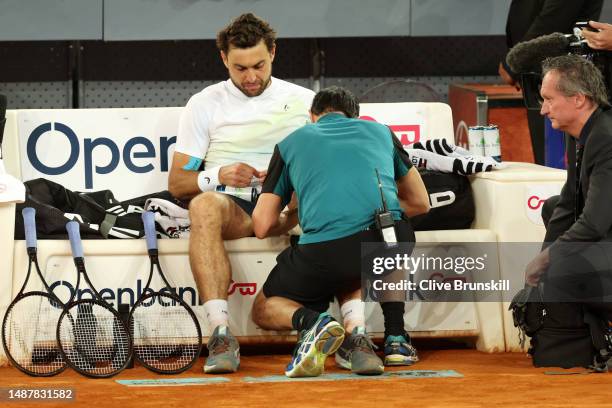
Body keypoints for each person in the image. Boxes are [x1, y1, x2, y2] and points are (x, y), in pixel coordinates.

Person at [167, 13, 315, 374]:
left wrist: (293, 184)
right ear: (224, 60)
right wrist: (219, 174)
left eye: (258, 65)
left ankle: (359, 331)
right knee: (203, 206)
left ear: (274, 54)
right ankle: (220, 332)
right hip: (236, 208)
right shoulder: (204, 103)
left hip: (289, 205)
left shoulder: (305, 101)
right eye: (240, 68)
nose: (250, 77)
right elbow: (178, 184)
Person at [250, 86, 430, 378]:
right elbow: (421, 203)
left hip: (327, 253)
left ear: (312, 117)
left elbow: (262, 225)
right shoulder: (382, 132)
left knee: (263, 308)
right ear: (355, 116)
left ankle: (313, 322)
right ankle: (392, 339)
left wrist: (296, 208)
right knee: (385, 237)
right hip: (386, 243)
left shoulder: (290, 143)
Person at [526, 54, 612, 292]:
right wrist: (542, 264)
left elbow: (595, 223)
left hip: (604, 228)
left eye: (549, 99)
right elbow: (569, 202)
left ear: (578, 99)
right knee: (553, 207)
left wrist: (547, 261)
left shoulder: (607, 138)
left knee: (562, 269)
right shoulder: (576, 132)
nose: (543, 110)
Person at [499, 0, 603, 165]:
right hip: (536, 72)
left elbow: (553, 18)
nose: (544, 109)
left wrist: (516, 60)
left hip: (563, 73)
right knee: (548, 158)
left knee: (563, 162)